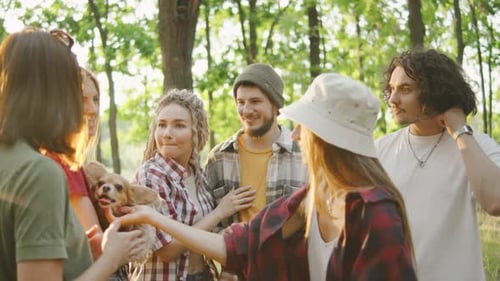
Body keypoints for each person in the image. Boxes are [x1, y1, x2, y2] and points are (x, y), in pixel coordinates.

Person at [118, 73, 418, 281]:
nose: (297, 135)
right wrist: (155, 219)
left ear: (328, 140)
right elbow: (237, 245)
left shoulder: (373, 212)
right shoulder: (307, 201)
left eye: (305, 127)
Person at [0, 27, 144, 280]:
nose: (86, 109)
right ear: (53, 94)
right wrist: (112, 258)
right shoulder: (39, 173)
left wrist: (75, 250)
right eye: (73, 90)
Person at [375, 49, 500, 281]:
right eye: (391, 89)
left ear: (435, 92)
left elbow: (496, 201)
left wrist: (459, 130)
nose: (392, 99)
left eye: (405, 89)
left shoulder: (475, 145)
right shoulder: (379, 151)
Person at [132, 89, 255, 281]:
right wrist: (219, 212)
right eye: (161, 125)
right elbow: (167, 251)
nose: (167, 134)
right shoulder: (151, 175)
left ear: (196, 133)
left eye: (179, 126)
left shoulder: (200, 176)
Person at [206, 63, 308, 228]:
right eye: (240, 102)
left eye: (255, 101)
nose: (246, 110)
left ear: (277, 106)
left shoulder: (303, 156)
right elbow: (207, 224)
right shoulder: (218, 158)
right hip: (229, 253)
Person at [43, 67, 104, 260]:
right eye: (82, 100)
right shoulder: (62, 159)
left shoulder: (73, 161)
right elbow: (98, 243)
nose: (92, 109)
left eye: (95, 100)